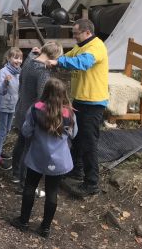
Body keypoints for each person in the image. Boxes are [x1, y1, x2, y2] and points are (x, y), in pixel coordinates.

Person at [46, 18, 108, 197]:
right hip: (81, 100)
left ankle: (91, 183)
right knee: (78, 138)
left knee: (89, 144)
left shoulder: (95, 47)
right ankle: (76, 170)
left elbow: (82, 63)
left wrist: (58, 63)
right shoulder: (81, 45)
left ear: (87, 32)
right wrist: (50, 57)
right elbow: (68, 57)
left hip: (93, 102)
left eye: (76, 33)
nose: (74, 36)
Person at [11, 78, 77, 238]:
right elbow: (73, 134)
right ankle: (45, 228)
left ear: (45, 92)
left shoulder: (35, 109)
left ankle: (23, 221)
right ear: (63, 95)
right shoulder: (69, 113)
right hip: (59, 160)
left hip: (37, 157)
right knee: (52, 192)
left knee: (30, 187)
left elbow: (26, 131)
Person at [12, 42, 63, 187]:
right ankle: (23, 182)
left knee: (21, 142)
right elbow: (42, 97)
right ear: (53, 57)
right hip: (31, 112)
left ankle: (15, 173)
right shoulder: (43, 71)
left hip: (21, 106)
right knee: (28, 148)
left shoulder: (29, 61)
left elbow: (21, 80)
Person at [0, 48, 22, 170]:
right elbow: (2, 91)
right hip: (3, 106)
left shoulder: (19, 72)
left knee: (8, 129)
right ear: (9, 58)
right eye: (15, 57)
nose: (18, 60)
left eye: (20, 58)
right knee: (3, 130)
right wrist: (5, 82)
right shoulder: (3, 71)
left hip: (13, 106)